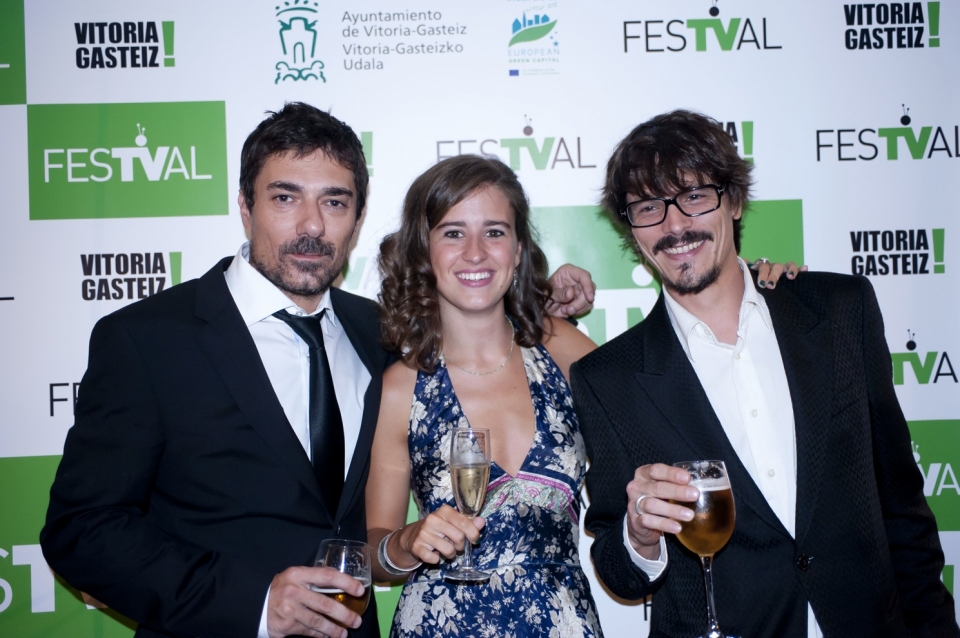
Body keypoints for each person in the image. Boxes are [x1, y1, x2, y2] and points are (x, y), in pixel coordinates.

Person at [39, 103, 596, 638]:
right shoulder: (149, 340)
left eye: (334, 201)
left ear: (356, 216)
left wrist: (540, 300)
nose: (311, 225)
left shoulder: (378, 334)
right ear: (245, 205)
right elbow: (81, 531)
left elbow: (477, 322)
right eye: (285, 198)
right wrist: (256, 605)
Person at [571, 109, 959, 638]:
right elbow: (619, 573)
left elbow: (903, 508)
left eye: (694, 196)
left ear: (733, 201)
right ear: (632, 229)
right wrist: (638, 535)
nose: (674, 225)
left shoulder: (841, 311)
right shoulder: (607, 378)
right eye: (648, 207)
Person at [365, 155, 604, 637]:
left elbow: (658, 408)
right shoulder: (401, 387)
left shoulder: (565, 350)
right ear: (424, 250)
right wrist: (406, 543)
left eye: (494, 232)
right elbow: (373, 554)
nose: (475, 253)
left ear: (518, 250)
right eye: (453, 233)